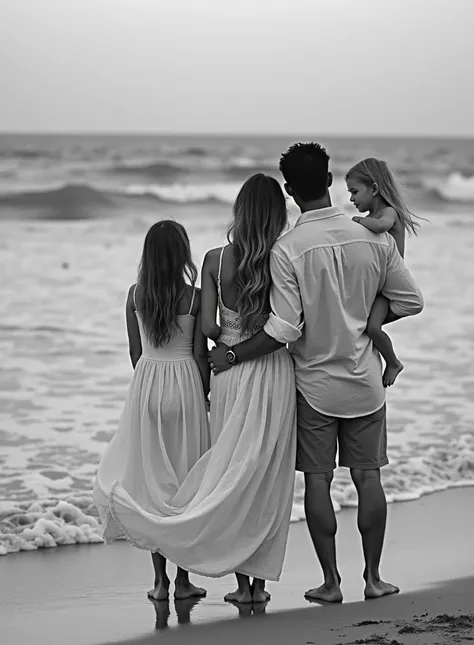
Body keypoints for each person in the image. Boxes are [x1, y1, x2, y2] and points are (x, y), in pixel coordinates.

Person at [209, 143, 424, 604]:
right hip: (366, 380)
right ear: (329, 181)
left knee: (319, 482)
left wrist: (231, 355)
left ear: (290, 191)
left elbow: (284, 327)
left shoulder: (287, 250)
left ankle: (330, 583)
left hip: (313, 386)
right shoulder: (375, 238)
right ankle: (373, 579)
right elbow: (411, 301)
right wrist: (367, 322)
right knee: (369, 479)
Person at [93, 220, 210, 602]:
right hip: (186, 386)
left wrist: (147, 388)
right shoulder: (194, 297)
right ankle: (185, 581)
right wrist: (205, 395)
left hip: (148, 386)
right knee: (185, 482)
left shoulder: (135, 295)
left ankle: (160, 583)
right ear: (182, 254)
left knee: (152, 484)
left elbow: (135, 353)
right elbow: (198, 356)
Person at [200, 173, 297, 603]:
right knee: (266, 476)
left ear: (240, 210)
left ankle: (241, 586)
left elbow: (207, 327)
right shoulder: (285, 256)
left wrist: (228, 340)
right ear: (277, 213)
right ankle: (258, 586)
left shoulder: (215, 258)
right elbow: (291, 324)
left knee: (230, 473)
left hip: (228, 370)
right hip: (274, 370)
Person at [346, 158, 424, 386]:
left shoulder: (388, 213)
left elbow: (381, 227)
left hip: (392, 280)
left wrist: (358, 221)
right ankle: (387, 363)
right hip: (381, 288)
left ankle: (392, 362)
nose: (351, 198)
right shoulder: (372, 217)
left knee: (372, 325)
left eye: (354, 191)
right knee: (370, 327)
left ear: (375, 189)